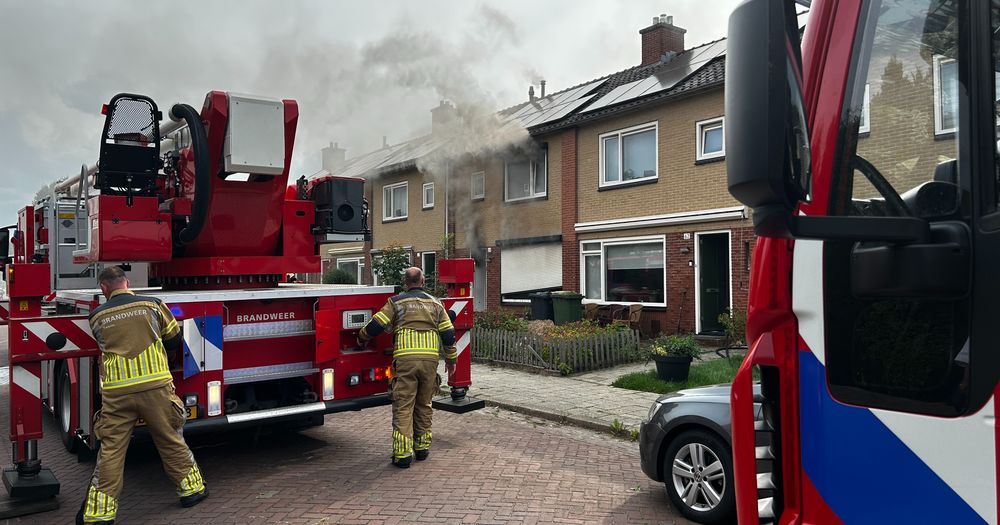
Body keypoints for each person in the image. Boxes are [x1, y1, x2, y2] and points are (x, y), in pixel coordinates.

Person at [77, 266, 208, 524]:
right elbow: (173, 339)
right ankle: (191, 491)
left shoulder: (97, 316)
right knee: (170, 439)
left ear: (104, 288)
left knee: (112, 451)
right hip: (155, 387)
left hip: (117, 393)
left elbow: (103, 346)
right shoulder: (153, 304)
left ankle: (99, 514)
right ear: (126, 282)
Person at [358, 267, 458, 468]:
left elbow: (376, 325)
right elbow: (448, 334)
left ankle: (403, 455)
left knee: (404, 406)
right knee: (424, 404)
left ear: (406, 282)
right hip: (430, 360)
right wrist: (451, 360)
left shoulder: (396, 302)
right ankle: (422, 449)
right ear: (422, 281)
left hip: (405, 360)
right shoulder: (436, 303)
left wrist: (362, 337)